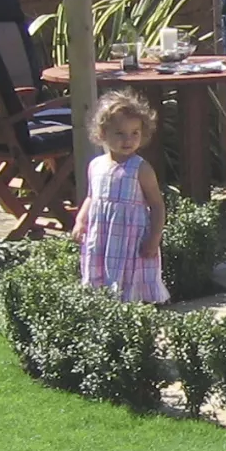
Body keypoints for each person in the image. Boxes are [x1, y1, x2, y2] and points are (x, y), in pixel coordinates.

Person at [72, 90, 168, 305]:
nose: (128, 140)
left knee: (130, 276)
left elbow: (157, 205)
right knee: (102, 276)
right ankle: (105, 308)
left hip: (131, 240)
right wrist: (80, 221)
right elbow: (91, 197)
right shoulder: (96, 165)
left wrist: (154, 238)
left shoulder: (140, 168)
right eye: (120, 133)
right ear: (102, 133)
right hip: (102, 236)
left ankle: (135, 309)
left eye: (135, 133)